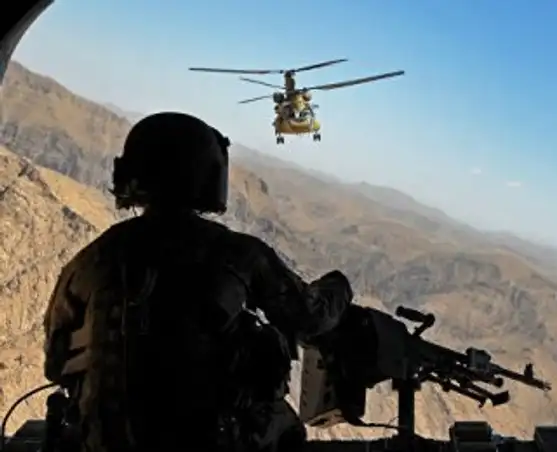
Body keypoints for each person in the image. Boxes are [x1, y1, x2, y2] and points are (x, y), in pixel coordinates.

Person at [41, 111, 354, 452]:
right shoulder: (239, 255)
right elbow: (311, 316)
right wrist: (338, 286)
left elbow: (56, 364)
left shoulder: (91, 260)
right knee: (285, 426)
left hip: (104, 445)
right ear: (208, 175)